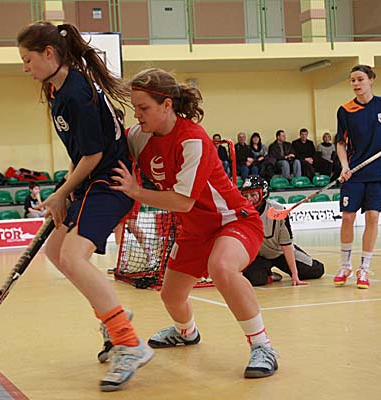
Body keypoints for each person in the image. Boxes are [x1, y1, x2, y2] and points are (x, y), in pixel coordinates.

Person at [111, 68, 278, 379]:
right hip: (193, 231)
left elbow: (182, 202)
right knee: (171, 296)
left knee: (222, 267)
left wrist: (136, 191)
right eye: (134, 108)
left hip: (233, 221)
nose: (136, 114)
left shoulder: (193, 140)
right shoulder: (138, 136)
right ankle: (186, 333)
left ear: (167, 105)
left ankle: (262, 346)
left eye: (143, 107)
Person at [16, 22, 153, 392]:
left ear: (49, 53)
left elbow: (93, 155)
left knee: (73, 257)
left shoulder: (77, 92)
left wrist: (62, 192)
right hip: (90, 181)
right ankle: (114, 318)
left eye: (28, 60)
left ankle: (128, 342)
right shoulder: (56, 89)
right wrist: (67, 191)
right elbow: (82, 152)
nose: (25, 68)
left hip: (110, 182)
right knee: (56, 252)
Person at [334, 64, 381, 289]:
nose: (356, 84)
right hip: (355, 171)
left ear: (371, 80)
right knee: (348, 217)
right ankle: (345, 265)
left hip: (379, 170)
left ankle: (364, 268)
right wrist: (344, 167)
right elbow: (340, 143)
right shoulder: (345, 110)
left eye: (360, 79)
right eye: (352, 80)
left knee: (372, 217)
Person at [240, 176, 324, 286]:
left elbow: (286, 244)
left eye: (253, 195)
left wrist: (295, 275)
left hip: (280, 252)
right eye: (245, 196)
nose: (249, 199)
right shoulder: (240, 212)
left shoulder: (278, 209)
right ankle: (271, 276)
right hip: (258, 256)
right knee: (255, 279)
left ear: (263, 193)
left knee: (317, 270)